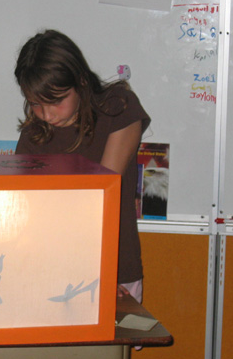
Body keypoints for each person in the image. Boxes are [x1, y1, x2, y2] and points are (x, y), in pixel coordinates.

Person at [14, 29, 150, 303]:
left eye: (56, 101)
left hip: (112, 268)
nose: (47, 115)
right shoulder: (34, 133)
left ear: (82, 81)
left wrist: (94, 275)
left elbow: (99, 198)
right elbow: (27, 211)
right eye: (35, 103)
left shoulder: (118, 108)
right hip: (50, 270)